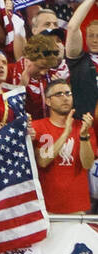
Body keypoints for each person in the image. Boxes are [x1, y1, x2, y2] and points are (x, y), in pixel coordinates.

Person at [30, 78, 95, 213]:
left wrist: (84, 136)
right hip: (47, 208)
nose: (65, 98)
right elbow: (43, 161)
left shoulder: (84, 127)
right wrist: (65, 133)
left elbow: (87, 164)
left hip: (78, 207)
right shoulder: (38, 127)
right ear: (48, 101)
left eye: (68, 93)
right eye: (59, 94)